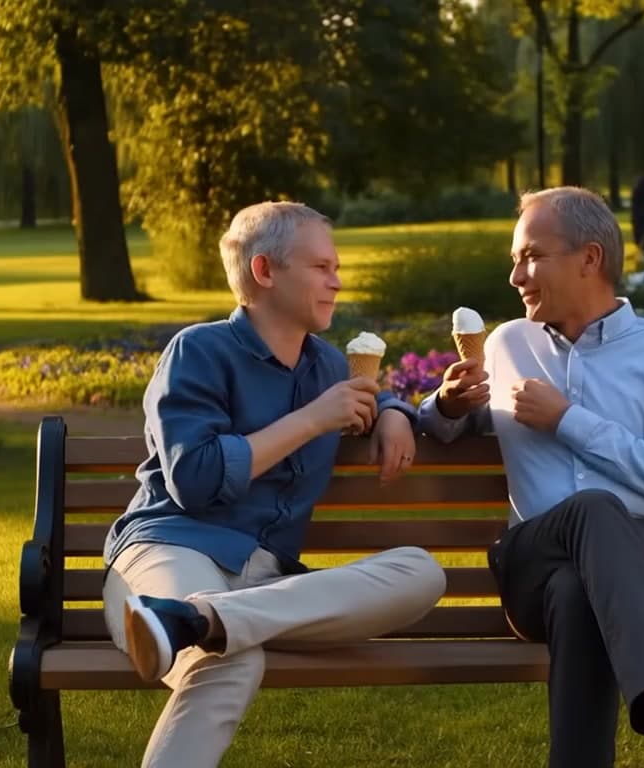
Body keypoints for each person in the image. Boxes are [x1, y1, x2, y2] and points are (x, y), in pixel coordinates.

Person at [419, 187, 644, 768]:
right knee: (593, 512)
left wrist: (567, 420)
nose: (515, 277)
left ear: (590, 258)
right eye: (514, 260)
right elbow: (447, 423)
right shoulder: (509, 344)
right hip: (534, 561)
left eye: (531, 257)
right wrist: (444, 405)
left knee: (579, 591)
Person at [104, 201, 447, 768]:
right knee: (228, 660)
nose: (337, 282)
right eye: (320, 267)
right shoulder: (199, 351)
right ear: (264, 271)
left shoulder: (328, 366)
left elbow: (374, 396)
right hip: (172, 549)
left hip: (267, 583)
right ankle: (185, 618)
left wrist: (393, 412)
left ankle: (196, 621)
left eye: (336, 268)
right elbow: (194, 479)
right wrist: (311, 420)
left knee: (423, 572)